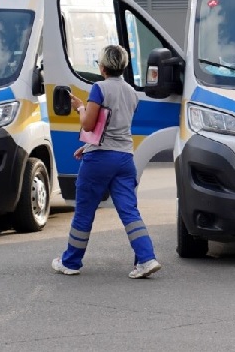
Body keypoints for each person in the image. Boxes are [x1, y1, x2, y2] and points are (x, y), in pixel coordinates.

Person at [52, 44, 162, 279]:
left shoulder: (99, 88)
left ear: (102, 67)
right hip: (124, 158)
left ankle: (70, 261)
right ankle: (146, 259)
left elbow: (90, 124)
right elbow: (114, 127)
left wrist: (80, 107)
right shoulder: (132, 92)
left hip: (99, 160)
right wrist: (88, 145)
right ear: (122, 66)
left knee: (84, 211)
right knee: (129, 211)